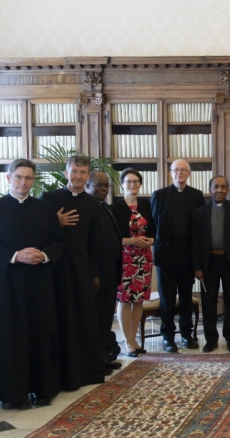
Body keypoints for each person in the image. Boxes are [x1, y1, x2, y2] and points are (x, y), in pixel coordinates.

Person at [0, 159, 63, 409]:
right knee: (7, 335)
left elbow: (58, 242)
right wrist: (16, 256)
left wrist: (45, 255)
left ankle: (41, 389)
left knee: (39, 332)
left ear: (33, 180)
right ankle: (8, 392)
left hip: (38, 282)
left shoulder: (45, 208)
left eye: (28, 178)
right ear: (9, 178)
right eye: (18, 177)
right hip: (4, 284)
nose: (23, 182)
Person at [40, 154, 106, 388]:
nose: (78, 176)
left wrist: (94, 273)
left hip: (81, 270)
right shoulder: (48, 199)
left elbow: (93, 243)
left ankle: (84, 372)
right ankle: (58, 374)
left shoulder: (91, 204)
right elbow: (36, 233)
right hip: (55, 270)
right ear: (66, 173)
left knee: (82, 319)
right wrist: (53, 221)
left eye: (83, 172)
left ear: (88, 176)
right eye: (74, 171)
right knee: (58, 319)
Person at [151, 159, 205, 352]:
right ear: (170, 173)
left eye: (183, 170)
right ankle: (167, 336)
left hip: (187, 255)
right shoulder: (159, 195)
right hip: (166, 254)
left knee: (185, 297)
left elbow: (199, 228)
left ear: (189, 174)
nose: (179, 173)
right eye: (176, 170)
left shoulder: (197, 196)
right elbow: (154, 225)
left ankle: (186, 334)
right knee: (167, 297)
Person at [191, 176, 230, 353]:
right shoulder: (199, 213)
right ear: (210, 189)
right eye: (216, 187)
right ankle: (210, 339)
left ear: (228, 189)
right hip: (208, 263)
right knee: (208, 303)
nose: (219, 190)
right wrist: (198, 267)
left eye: (223, 187)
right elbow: (195, 243)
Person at [110, 168, 155, 357]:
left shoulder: (146, 205)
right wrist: (131, 241)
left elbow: (153, 229)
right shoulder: (115, 208)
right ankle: (127, 340)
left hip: (143, 258)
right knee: (124, 299)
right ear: (122, 184)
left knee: (138, 301)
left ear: (140, 184)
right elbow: (111, 236)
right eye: (128, 181)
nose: (132, 184)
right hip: (125, 258)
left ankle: (134, 339)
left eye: (136, 181)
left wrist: (151, 240)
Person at [85, 171, 123, 370]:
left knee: (106, 318)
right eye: (98, 185)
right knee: (96, 320)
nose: (103, 189)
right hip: (97, 275)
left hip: (110, 273)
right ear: (87, 185)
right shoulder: (87, 209)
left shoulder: (106, 208)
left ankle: (103, 357)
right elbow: (87, 246)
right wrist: (94, 273)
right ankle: (95, 361)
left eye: (106, 186)